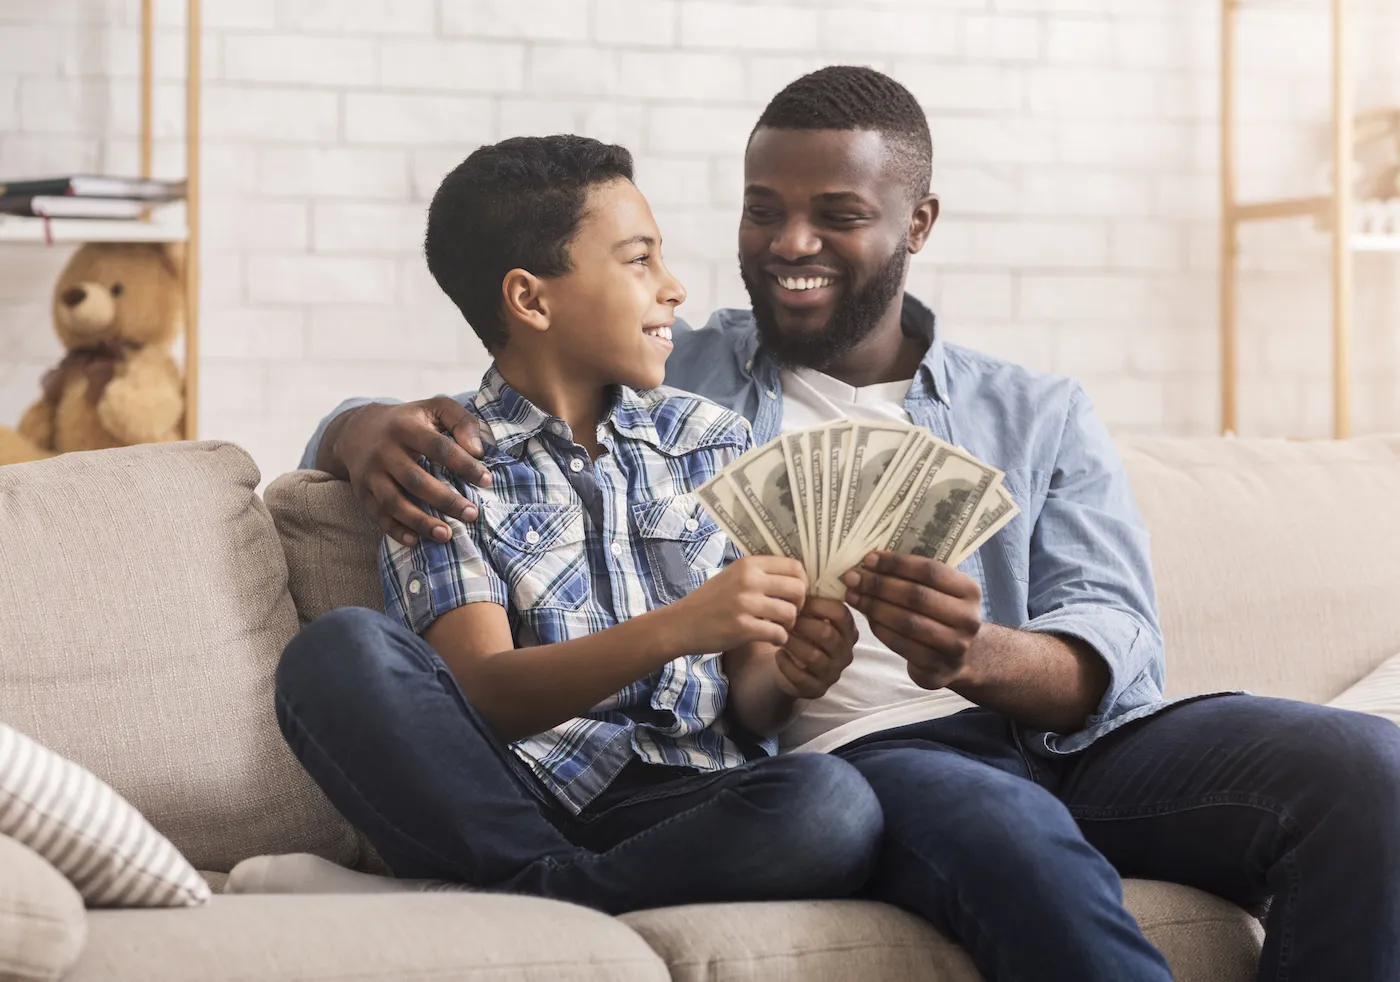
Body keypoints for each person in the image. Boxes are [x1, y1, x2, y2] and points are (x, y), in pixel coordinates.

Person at [298, 68, 1400, 981]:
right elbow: (509, 376)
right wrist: (353, 427)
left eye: (836, 215)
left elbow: (1114, 642)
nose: (788, 244)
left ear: (916, 222)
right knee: (994, 839)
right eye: (760, 208)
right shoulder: (673, 375)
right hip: (874, 754)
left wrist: (980, 651)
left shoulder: (1034, 411)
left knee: (1367, 767)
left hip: (1072, 742)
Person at [269, 133, 884, 916]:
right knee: (338, 653)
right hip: (515, 795)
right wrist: (677, 627)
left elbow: (749, 698)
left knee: (835, 805)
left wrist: (791, 673)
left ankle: (521, 891)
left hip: (689, 799)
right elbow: (484, 694)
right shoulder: (443, 460)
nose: (675, 289)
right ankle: (544, 881)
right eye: (640, 260)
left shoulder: (715, 441)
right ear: (531, 299)